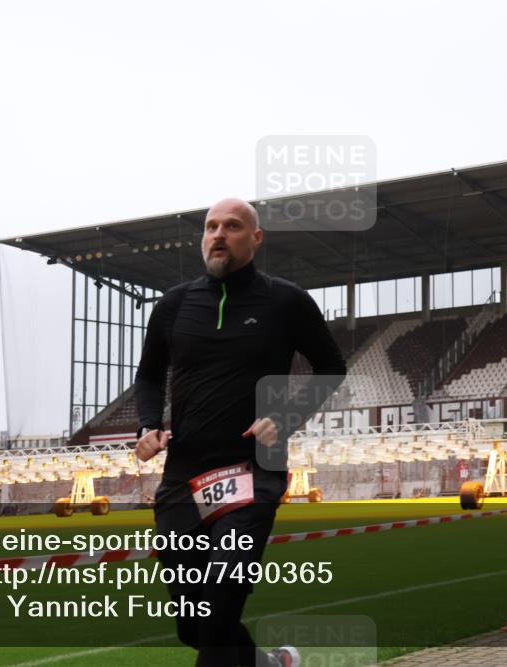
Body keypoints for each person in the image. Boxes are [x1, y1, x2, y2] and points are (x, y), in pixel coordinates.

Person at [134, 197, 347, 666]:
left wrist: (287, 417)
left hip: (252, 472)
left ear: (256, 238)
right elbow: (149, 376)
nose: (218, 234)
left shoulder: (286, 300)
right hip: (184, 477)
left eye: (232, 226)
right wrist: (149, 426)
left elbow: (331, 366)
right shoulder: (173, 306)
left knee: (220, 605)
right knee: (196, 624)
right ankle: (269, 665)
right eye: (210, 226)